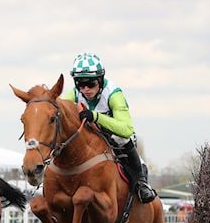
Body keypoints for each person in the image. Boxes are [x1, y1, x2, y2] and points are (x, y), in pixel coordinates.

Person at [62, 52, 156, 204]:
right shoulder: (73, 94)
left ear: (100, 80)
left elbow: (126, 129)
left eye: (90, 83)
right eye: (80, 83)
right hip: (90, 137)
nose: (85, 89)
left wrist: (96, 116)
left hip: (115, 139)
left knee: (121, 138)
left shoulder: (113, 94)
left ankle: (141, 183)